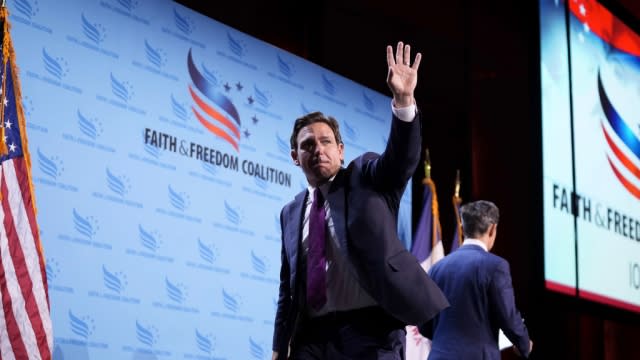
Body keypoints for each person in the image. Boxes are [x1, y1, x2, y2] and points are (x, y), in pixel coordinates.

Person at [271, 41, 449, 360]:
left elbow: (400, 160)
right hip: (311, 339)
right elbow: (288, 289)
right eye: (307, 145)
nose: (318, 149)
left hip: (370, 332)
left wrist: (404, 101)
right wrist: (277, 348)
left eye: (326, 141)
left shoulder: (365, 176)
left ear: (341, 150)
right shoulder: (290, 212)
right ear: (295, 157)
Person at [419, 200, 533, 359]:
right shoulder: (495, 266)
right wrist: (524, 344)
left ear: (463, 227)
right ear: (492, 229)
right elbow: (508, 316)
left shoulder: (436, 269)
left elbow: (424, 325)